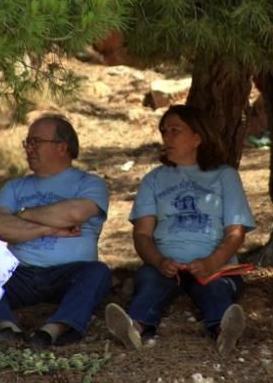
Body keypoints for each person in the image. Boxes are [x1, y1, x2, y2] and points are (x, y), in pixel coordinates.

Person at [106, 104, 256, 356]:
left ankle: (224, 331)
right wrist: (158, 260)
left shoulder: (224, 176)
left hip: (215, 264)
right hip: (165, 263)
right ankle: (134, 328)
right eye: (164, 131)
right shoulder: (153, 180)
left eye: (175, 131)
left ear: (198, 137)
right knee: (152, 282)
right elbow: (142, 234)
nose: (167, 138)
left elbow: (236, 231)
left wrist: (212, 261)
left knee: (216, 288)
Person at [0, 114, 111, 348]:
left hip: (70, 273)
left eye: (36, 142)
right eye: (27, 142)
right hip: (20, 273)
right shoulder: (15, 186)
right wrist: (50, 228)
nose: (29, 148)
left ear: (62, 147)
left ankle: (53, 330)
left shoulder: (90, 184)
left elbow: (75, 214)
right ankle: (7, 328)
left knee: (98, 273)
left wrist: (23, 213)